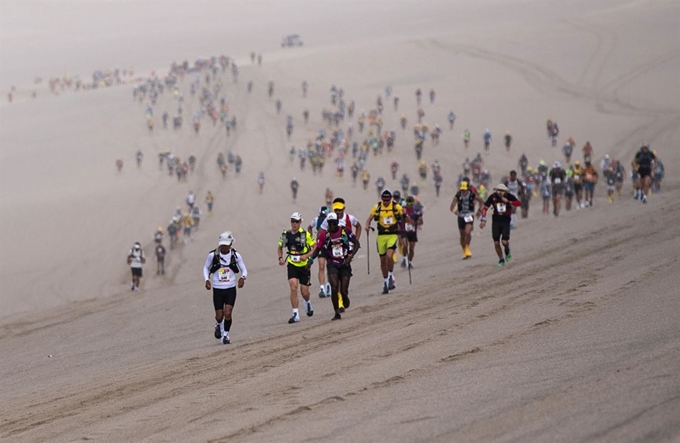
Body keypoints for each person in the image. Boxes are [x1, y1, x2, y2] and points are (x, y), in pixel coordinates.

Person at [306, 212, 360, 320]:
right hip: (332, 264)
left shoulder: (345, 231)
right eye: (329, 224)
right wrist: (311, 260)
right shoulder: (324, 235)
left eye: (333, 224)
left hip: (345, 263)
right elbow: (317, 249)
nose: (331, 226)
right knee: (334, 287)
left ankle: (344, 297)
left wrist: (350, 257)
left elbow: (357, 244)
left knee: (344, 290)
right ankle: (336, 312)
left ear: (337, 223)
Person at [204, 232, 247, 344]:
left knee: (228, 313)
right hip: (217, 289)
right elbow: (206, 268)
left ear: (231, 244)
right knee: (219, 316)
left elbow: (244, 269)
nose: (224, 247)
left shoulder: (236, 256)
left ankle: (226, 335)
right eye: (222, 244)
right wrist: (207, 280)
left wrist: (243, 278)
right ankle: (218, 324)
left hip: (230, 288)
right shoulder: (213, 255)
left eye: (226, 244)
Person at [278, 213, 315, 324]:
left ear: (300, 222)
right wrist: (280, 258)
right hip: (292, 264)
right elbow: (280, 247)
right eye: (293, 221)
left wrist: (306, 256)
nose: (294, 224)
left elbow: (315, 247)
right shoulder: (286, 234)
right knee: (293, 287)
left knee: (304, 292)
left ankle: (307, 302)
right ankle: (295, 314)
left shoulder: (305, 234)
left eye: (296, 222)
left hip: (304, 266)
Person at [365, 189, 403, 294]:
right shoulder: (377, 207)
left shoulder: (396, 207)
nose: (386, 202)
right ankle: (385, 282)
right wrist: (367, 225)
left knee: (389, 256)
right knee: (382, 261)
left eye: (388, 200)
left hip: (392, 235)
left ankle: (390, 275)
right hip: (381, 236)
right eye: (384, 200)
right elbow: (369, 218)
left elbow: (403, 215)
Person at [480, 184, 521, 267]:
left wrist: (508, 202)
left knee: (504, 241)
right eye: (499, 190)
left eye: (502, 191)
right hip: (496, 220)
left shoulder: (509, 196)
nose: (500, 192)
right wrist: (483, 219)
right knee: (496, 242)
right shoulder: (493, 197)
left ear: (505, 191)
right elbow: (485, 207)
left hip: (505, 219)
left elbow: (519, 203)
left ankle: (507, 249)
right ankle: (501, 259)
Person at [450, 181, 482, 259]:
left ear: (468, 188)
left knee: (467, 232)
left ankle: (467, 248)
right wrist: (455, 211)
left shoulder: (471, 195)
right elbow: (451, 207)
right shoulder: (458, 196)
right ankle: (464, 249)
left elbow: (481, 201)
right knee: (462, 234)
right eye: (462, 190)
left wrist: (479, 210)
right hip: (461, 216)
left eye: (465, 190)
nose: (463, 191)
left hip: (469, 215)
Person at [400, 196, 423, 268]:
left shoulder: (416, 211)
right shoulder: (402, 210)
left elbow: (421, 222)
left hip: (412, 232)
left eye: (411, 204)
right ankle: (405, 259)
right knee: (405, 245)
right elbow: (398, 220)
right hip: (404, 231)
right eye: (408, 204)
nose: (409, 206)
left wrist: (414, 223)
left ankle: (410, 262)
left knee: (411, 249)